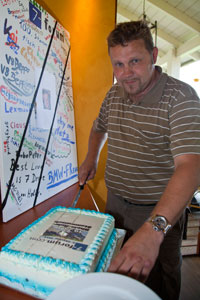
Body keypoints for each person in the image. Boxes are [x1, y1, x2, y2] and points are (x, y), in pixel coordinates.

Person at [78, 20, 200, 300]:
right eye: (118, 64)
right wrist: (90, 159)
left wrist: (155, 228)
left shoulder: (181, 97)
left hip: (159, 212)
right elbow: (99, 127)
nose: (125, 74)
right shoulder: (113, 94)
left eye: (134, 61)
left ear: (154, 56)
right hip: (115, 204)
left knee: (158, 284)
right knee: (115, 278)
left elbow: (192, 165)